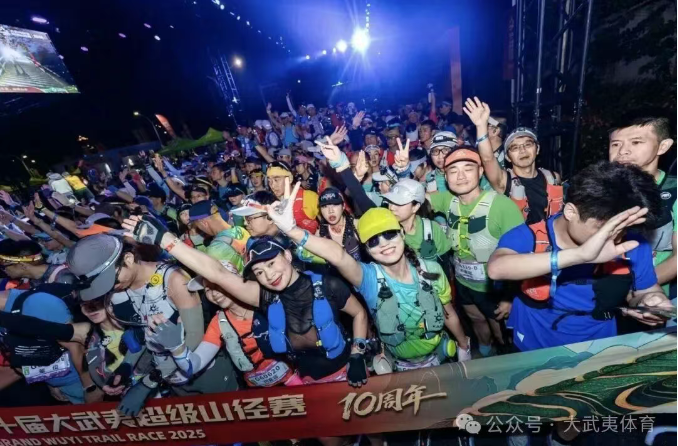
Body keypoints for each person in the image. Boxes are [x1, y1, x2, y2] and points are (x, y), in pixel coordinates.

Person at [122, 217, 370, 392]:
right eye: (259, 272)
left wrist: (358, 353)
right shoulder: (265, 297)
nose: (269, 275)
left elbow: (359, 313)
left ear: (286, 255)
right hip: (308, 384)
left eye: (271, 264)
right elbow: (216, 273)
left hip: (347, 373)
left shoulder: (326, 285)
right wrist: (165, 239)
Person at [264, 181, 470, 370]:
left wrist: (463, 346)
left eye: (389, 234)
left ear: (402, 234)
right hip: (399, 367)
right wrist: (292, 230)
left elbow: (448, 314)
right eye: (373, 241)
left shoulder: (432, 270)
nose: (383, 244)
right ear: (367, 250)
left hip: (440, 358)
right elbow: (338, 256)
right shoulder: (369, 279)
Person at [488, 161, 673, 351]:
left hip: (600, 344)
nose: (616, 238)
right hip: (535, 341)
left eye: (624, 229)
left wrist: (650, 301)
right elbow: (496, 268)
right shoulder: (532, 236)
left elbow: (643, 291)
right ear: (571, 212)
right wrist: (580, 255)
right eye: (605, 229)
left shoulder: (631, 244)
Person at [67, 234, 238, 415]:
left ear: (128, 259)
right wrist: (126, 367)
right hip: (172, 381)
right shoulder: (116, 295)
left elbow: (193, 339)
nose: (110, 287)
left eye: (111, 280)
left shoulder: (174, 280)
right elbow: (142, 336)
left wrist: (148, 383)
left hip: (205, 374)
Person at [428, 147, 524, 356]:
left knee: (501, 331)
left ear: (480, 171)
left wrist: (509, 297)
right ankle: (483, 355)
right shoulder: (447, 200)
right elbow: (412, 200)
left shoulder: (502, 206)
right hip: (463, 282)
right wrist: (399, 172)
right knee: (476, 319)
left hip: (495, 287)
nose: (460, 176)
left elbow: (522, 255)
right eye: (453, 171)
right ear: (446, 177)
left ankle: (504, 361)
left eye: (468, 169)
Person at [145, 260, 301, 388]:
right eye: (208, 289)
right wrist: (177, 348)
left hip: (296, 380)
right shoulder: (219, 323)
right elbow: (194, 365)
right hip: (257, 391)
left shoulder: (266, 301)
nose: (214, 293)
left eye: (218, 285)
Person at [464, 97, 563, 225]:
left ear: (537, 149)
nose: (522, 150)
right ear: (507, 157)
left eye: (528, 144)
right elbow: (488, 159)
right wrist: (481, 126)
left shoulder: (553, 177)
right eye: (515, 147)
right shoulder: (504, 182)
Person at [608, 116, 676, 300]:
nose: (623, 151)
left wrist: (634, 288)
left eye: (636, 142)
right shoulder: (596, 188)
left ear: (663, 146)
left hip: (658, 297)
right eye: (615, 144)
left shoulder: (674, 190)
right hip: (597, 297)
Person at [188, 200, 249, 266]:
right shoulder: (241, 230)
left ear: (203, 223)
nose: (199, 229)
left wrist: (198, 243)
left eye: (197, 225)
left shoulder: (215, 249)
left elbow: (207, 268)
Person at [266, 161, 319, 233]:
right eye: (269, 181)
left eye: (276, 180)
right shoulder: (272, 204)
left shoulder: (309, 197)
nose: (272, 185)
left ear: (290, 179)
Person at [0, 239, 76, 287]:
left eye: (3, 267)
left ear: (22, 265)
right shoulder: (33, 283)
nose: (3, 270)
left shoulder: (62, 277)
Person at [317, 188, 362, 262]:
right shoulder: (319, 235)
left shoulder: (358, 225)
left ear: (343, 206)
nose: (330, 211)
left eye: (335, 204)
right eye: (325, 206)